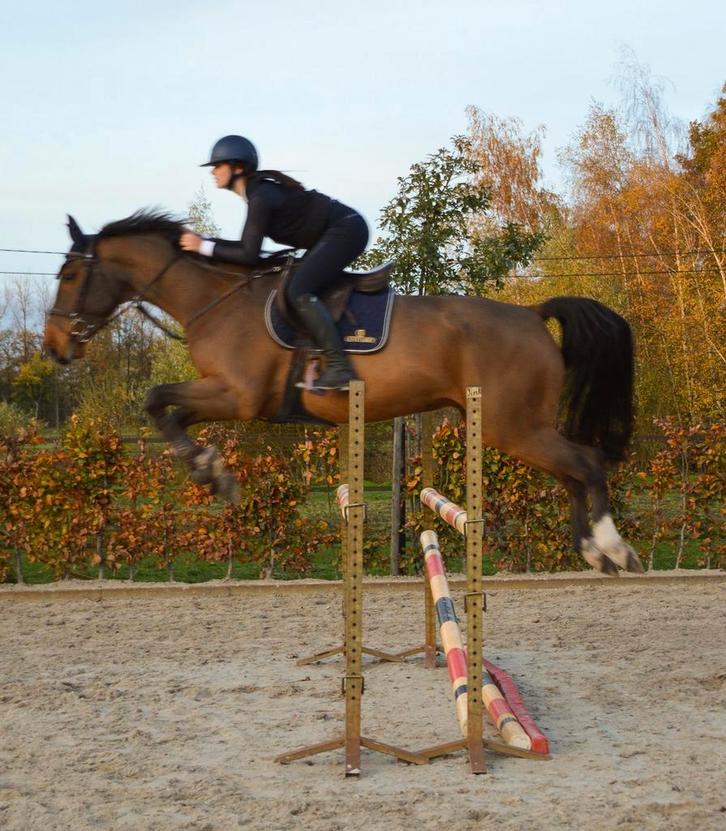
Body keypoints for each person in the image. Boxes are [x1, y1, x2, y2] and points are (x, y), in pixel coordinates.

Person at [180, 135, 369, 391]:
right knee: (295, 283)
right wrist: (204, 242)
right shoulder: (258, 193)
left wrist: (203, 246)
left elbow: (248, 255)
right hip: (336, 231)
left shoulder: (261, 196)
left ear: (237, 167)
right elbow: (248, 248)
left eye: (218, 165)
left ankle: (339, 368)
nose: (213, 171)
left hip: (346, 229)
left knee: (298, 290)